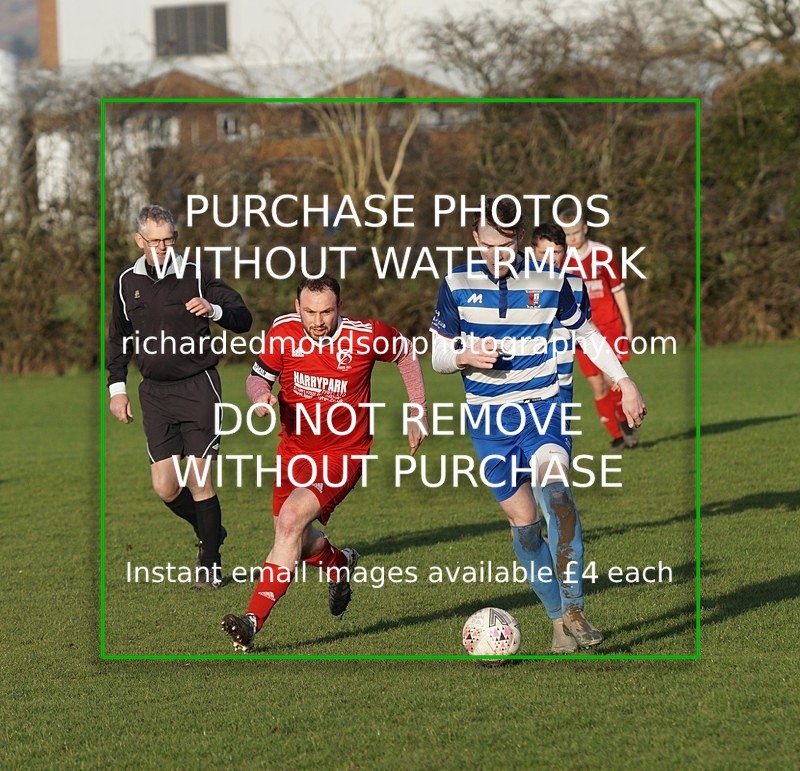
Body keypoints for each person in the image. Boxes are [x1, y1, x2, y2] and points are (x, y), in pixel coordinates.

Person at [430, 198, 646, 653]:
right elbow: (439, 356)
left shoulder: (550, 279)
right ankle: (556, 618)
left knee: (558, 497)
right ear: (475, 238)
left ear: (519, 239)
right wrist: (466, 355)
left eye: (506, 245)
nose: (498, 255)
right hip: (489, 418)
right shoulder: (455, 282)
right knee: (525, 524)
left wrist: (624, 382)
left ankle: (574, 607)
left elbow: (586, 332)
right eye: (488, 245)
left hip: (542, 407)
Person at [221, 275, 428, 652]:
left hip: (342, 453)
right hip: (293, 450)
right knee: (294, 539)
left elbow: (407, 353)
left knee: (290, 522)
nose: (318, 321)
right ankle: (338, 564)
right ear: (297, 307)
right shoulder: (283, 332)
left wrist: (418, 410)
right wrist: (261, 396)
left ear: (340, 308)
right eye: (310, 311)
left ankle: (251, 621)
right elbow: (256, 377)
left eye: (327, 311)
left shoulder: (365, 336)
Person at [107, 204, 252, 589]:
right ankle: (212, 531)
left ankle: (210, 564)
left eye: (169, 239)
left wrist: (214, 308)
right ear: (140, 241)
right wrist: (117, 389)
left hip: (197, 386)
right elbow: (118, 338)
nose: (163, 247)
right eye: (155, 241)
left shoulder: (195, 275)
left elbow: (243, 316)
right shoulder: (125, 283)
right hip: (153, 394)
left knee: (199, 478)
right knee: (165, 486)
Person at [561, 209, 638, 448]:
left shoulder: (603, 253)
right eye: (567, 234)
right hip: (581, 329)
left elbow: (617, 289)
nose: (572, 238)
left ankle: (627, 427)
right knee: (597, 385)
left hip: (609, 325)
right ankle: (615, 434)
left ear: (585, 228)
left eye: (576, 232)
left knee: (613, 377)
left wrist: (628, 322)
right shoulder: (562, 261)